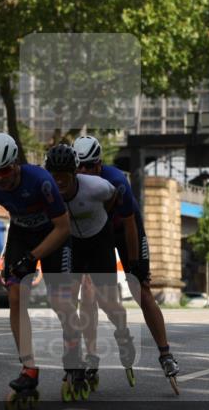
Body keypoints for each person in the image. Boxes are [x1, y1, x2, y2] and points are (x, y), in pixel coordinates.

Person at [0, 133, 79, 410]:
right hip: (21, 235)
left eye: (5, 170)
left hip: (53, 236)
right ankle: (29, 369)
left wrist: (34, 258)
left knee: (60, 301)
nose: (1, 178)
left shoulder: (41, 181)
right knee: (16, 298)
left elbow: (63, 227)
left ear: (15, 164)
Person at [72, 135, 181, 384]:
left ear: (100, 164)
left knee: (140, 288)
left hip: (124, 230)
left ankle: (165, 353)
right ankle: (92, 355)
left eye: (91, 166)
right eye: (80, 166)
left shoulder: (117, 181)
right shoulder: (72, 183)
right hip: (98, 233)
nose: (85, 171)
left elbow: (130, 225)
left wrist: (133, 265)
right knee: (90, 292)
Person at [44, 144, 132, 394]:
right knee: (67, 298)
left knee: (105, 302)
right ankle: (75, 360)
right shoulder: (47, 190)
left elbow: (114, 196)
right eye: (55, 176)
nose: (59, 182)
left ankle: (123, 331)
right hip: (72, 242)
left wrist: (102, 214)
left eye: (65, 176)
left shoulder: (96, 187)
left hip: (99, 239)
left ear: (75, 175)